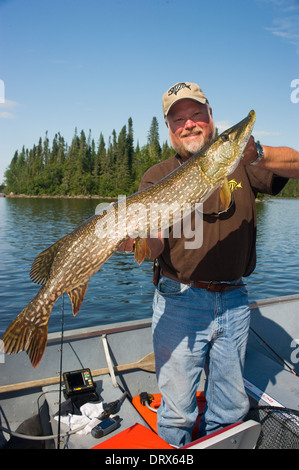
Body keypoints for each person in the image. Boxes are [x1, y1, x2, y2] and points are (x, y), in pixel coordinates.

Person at [119, 82, 299, 447]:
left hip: (234, 301)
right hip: (178, 300)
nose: (189, 125)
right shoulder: (157, 176)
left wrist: (256, 152)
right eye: (178, 120)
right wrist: (132, 238)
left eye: (196, 114)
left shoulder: (243, 163)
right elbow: (152, 248)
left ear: (210, 117)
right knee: (177, 412)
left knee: (230, 408)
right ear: (169, 130)